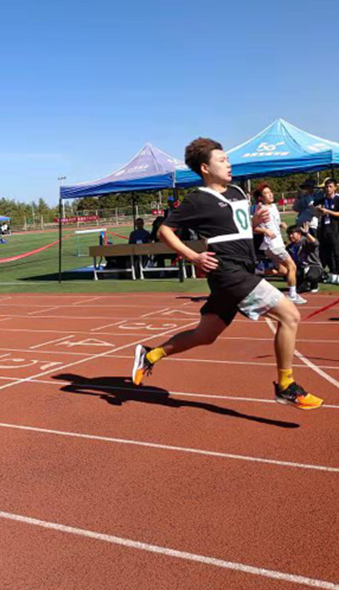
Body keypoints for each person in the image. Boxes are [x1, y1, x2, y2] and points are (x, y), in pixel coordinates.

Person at [131, 137, 323, 410]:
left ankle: (150, 355)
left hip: (243, 267)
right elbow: (164, 231)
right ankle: (285, 386)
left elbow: (236, 227)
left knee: (205, 335)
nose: (228, 164)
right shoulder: (197, 199)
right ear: (205, 168)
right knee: (290, 315)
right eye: (221, 160)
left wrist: (254, 222)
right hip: (227, 272)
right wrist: (193, 256)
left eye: (228, 159)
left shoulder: (236, 192)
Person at [252, 183, 304, 304]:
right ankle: (292, 295)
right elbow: (253, 228)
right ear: (260, 197)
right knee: (292, 266)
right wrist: (265, 231)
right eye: (266, 193)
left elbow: (274, 222)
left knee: (283, 271)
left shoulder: (273, 207)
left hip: (277, 243)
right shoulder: (261, 209)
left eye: (270, 192)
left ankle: (258, 271)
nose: (270, 195)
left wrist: (280, 224)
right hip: (272, 244)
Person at [316, 179, 339, 284]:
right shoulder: (322, 199)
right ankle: (332, 273)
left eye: (330, 186)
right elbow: (315, 208)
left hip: (334, 229)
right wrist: (319, 210)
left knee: (336, 252)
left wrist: (328, 211)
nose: (328, 189)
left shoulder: (338, 199)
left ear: (334, 188)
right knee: (326, 253)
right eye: (326, 187)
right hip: (324, 228)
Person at [287, 223, 322, 294]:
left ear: (299, 234)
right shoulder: (290, 246)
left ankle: (314, 285)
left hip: (313, 266)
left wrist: (306, 233)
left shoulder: (306, 241)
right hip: (300, 268)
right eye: (289, 234)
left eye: (292, 234)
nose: (290, 236)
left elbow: (316, 243)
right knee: (288, 272)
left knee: (311, 276)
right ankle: (304, 284)